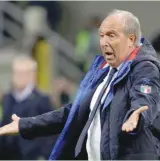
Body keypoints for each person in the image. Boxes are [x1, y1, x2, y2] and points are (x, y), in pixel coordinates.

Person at [0, 9, 160, 160]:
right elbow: (72, 113)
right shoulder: (105, 71)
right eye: (102, 35)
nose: (104, 42)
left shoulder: (144, 67)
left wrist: (138, 115)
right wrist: (25, 124)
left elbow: (145, 95)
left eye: (111, 35)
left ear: (131, 39)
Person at [0, 55, 57, 160]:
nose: (18, 77)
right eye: (16, 73)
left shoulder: (42, 99)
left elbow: (49, 131)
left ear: (32, 75)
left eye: (22, 73)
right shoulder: (7, 98)